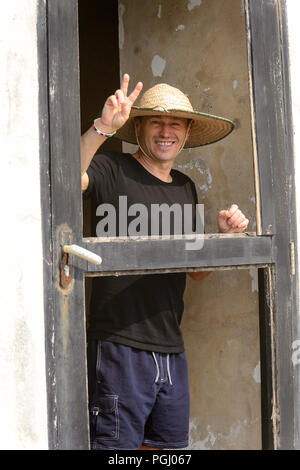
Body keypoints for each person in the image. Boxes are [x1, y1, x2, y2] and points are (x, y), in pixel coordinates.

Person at [81, 74, 249, 450]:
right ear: (138, 127)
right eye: (156, 121)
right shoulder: (113, 169)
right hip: (119, 344)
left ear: (187, 133)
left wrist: (221, 240)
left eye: (175, 123)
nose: (165, 131)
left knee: (167, 449)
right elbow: (64, 179)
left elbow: (196, 271)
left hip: (171, 347)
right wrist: (102, 128)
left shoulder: (185, 187)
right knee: (115, 450)